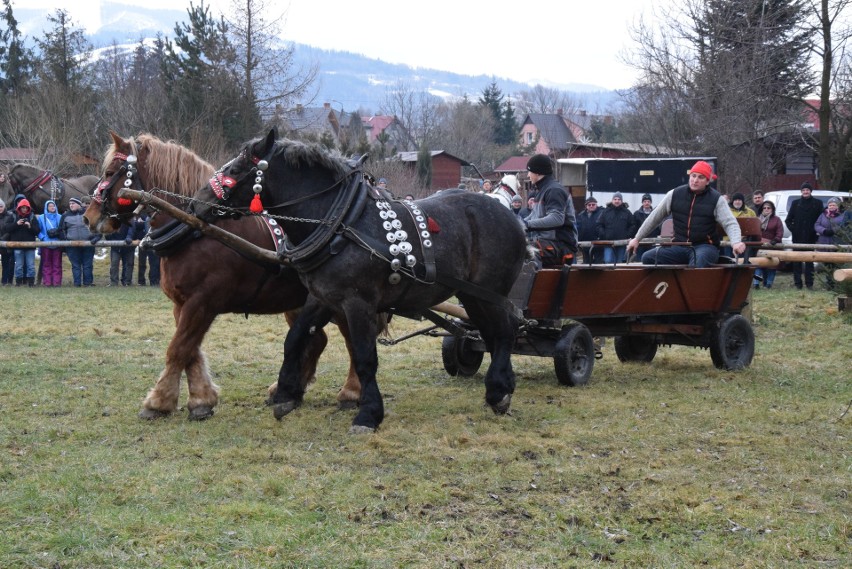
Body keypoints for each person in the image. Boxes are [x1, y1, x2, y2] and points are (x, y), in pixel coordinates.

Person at [626, 160, 745, 267]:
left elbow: (730, 223)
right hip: (679, 245)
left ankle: (693, 291)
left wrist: (735, 242)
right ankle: (666, 289)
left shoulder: (716, 199)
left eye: (701, 177)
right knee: (648, 258)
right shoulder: (674, 194)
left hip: (705, 246)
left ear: (707, 181)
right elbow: (654, 217)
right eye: (693, 176)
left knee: (698, 261)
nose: (695, 180)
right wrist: (637, 239)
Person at [521, 153, 578, 269]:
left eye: (529, 171)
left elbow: (557, 219)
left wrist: (527, 225)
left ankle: (535, 285)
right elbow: (532, 216)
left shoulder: (554, 190)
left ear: (537, 173)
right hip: (547, 243)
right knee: (516, 245)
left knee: (527, 250)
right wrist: (514, 222)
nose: (528, 175)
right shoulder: (542, 190)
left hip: (561, 245)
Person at [785, 182, 823, 289]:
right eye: (804, 190)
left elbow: (821, 219)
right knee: (797, 261)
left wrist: (816, 232)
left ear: (811, 191)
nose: (805, 192)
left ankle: (809, 283)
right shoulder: (795, 203)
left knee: (809, 261)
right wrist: (794, 230)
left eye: (807, 190)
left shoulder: (818, 203)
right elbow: (788, 220)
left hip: (811, 236)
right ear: (801, 191)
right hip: (797, 237)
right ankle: (798, 284)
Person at [59, 197, 97, 287]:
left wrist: (95, 237)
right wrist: (65, 241)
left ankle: (88, 283)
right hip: (72, 245)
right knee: (75, 265)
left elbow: (96, 226)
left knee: (87, 265)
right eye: (70, 204)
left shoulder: (88, 213)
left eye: (73, 203)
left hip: (88, 243)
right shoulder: (65, 216)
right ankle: (77, 283)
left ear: (79, 204)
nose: (71, 205)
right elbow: (61, 230)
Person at [5, 198, 40, 286]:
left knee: (31, 266)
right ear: (19, 208)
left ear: (28, 208)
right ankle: (18, 283)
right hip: (17, 245)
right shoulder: (13, 215)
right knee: (19, 266)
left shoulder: (32, 216)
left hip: (30, 246)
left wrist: (29, 226)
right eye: (22, 207)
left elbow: (37, 230)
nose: (24, 209)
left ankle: (31, 283)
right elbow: (7, 228)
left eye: (26, 208)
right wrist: (16, 224)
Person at [753, 200, 784, 289]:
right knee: (759, 265)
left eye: (768, 208)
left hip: (772, 245)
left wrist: (776, 240)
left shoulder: (777, 219)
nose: (766, 209)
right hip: (759, 246)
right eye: (764, 208)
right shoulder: (757, 219)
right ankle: (756, 283)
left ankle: (769, 284)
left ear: (772, 209)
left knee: (772, 265)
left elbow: (780, 232)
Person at [596, 192, 634, 264]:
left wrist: (627, 235)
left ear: (622, 201)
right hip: (608, 243)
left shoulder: (627, 212)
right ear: (612, 200)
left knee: (620, 263)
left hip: (622, 243)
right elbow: (599, 225)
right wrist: (604, 235)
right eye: (615, 199)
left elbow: (632, 225)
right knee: (608, 261)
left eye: (619, 199)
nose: (617, 201)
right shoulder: (605, 212)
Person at [37, 199, 63, 287]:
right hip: (45, 244)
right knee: (46, 264)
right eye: (50, 206)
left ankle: (57, 283)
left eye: (53, 206)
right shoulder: (41, 217)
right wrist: (43, 238)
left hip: (57, 243)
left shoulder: (60, 217)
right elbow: (38, 230)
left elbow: (62, 229)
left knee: (57, 264)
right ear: (46, 207)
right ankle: (47, 282)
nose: (52, 207)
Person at [721, 192, 756, 257]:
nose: (737, 202)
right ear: (733, 201)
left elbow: (755, 225)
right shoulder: (726, 210)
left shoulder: (750, 212)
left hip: (744, 241)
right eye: (735, 200)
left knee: (742, 261)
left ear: (742, 201)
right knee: (729, 260)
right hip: (728, 240)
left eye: (739, 200)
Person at [107, 217, 139, 286]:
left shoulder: (129, 217)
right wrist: (110, 239)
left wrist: (129, 237)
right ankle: (113, 282)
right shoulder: (112, 218)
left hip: (128, 246)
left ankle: (127, 282)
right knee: (114, 264)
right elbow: (108, 231)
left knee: (129, 264)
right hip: (115, 246)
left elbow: (132, 228)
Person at [632, 193, 660, 258]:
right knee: (639, 260)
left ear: (651, 202)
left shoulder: (655, 213)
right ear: (642, 203)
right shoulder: (637, 214)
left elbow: (658, 225)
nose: (646, 203)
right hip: (640, 242)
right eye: (645, 201)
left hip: (652, 241)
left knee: (650, 260)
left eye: (648, 201)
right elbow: (634, 227)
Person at [136, 213, 160, 286]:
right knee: (144, 264)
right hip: (146, 243)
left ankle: (152, 281)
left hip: (149, 243)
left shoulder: (151, 217)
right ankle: (145, 281)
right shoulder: (143, 217)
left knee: (153, 264)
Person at [577, 196, 603, 263]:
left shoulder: (602, 213)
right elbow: (578, 228)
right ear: (586, 206)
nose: (591, 206)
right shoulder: (581, 215)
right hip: (585, 243)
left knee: (598, 262)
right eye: (589, 205)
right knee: (586, 262)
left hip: (598, 243)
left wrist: (601, 236)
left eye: (593, 204)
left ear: (596, 205)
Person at [0, 198, 15, 285]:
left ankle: (5, 281)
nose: (0, 208)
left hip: (6, 243)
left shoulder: (10, 216)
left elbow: (10, 230)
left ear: (4, 206)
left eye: (1, 206)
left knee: (6, 263)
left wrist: (3, 239)